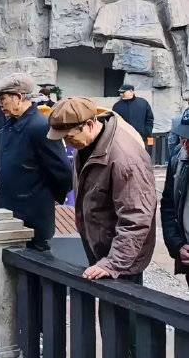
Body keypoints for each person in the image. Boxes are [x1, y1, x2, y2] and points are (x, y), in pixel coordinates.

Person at [48, 97, 156, 279]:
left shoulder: (125, 158)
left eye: (69, 137)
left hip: (122, 262)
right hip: (103, 252)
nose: (66, 144)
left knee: (123, 307)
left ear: (89, 124)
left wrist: (113, 263)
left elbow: (136, 218)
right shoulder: (86, 142)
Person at [0, 73, 72, 251]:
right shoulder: (10, 124)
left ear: (19, 98)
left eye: (3, 98)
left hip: (31, 220)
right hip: (9, 216)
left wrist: (42, 197)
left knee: (34, 274)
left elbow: (63, 172)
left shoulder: (39, 126)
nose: (0, 104)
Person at [161, 108, 189, 283]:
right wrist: (177, 244)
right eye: (182, 137)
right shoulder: (178, 157)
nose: (185, 144)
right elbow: (168, 204)